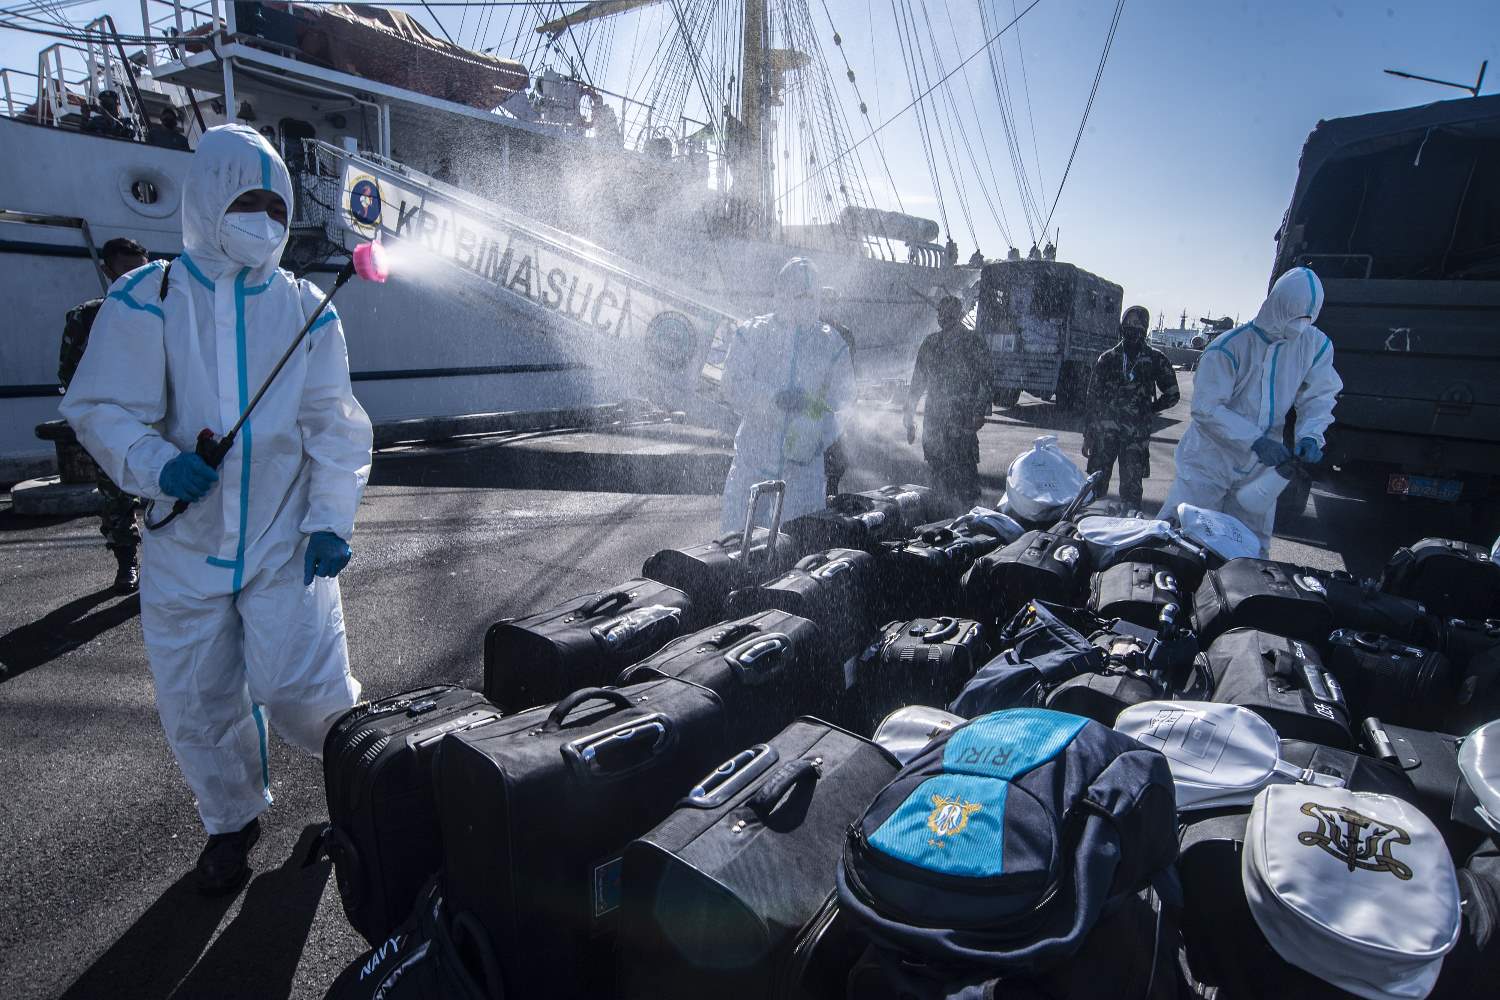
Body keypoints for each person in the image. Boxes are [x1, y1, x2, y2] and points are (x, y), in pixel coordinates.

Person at [60, 124, 372, 894]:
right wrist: (160, 465)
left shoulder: (308, 309)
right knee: (198, 701)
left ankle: (363, 800)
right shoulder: (146, 298)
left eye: (276, 204)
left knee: (307, 688)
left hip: (281, 542)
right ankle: (230, 825)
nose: (263, 218)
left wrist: (330, 520)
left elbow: (332, 424)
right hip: (184, 547)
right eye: (246, 200)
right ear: (207, 199)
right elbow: (100, 407)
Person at [1157, 267, 1342, 557]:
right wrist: (1254, 440)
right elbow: (1206, 408)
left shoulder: (1314, 345)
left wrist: (1311, 435)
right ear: (1277, 305)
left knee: (1249, 548)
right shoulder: (1229, 347)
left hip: (1259, 469)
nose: (1299, 325)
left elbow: (1319, 395)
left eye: (1307, 318)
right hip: (1210, 460)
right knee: (1180, 537)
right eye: (1294, 316)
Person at [719, 258, 854, 532]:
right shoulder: (753, 334)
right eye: (798, 295)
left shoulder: (831, 344)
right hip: (752, 465)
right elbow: (732, 385)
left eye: (810, 295)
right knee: (739, 548)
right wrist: (774, 400)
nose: (805, 302)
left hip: (803, 472)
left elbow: (845, 402)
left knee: (797, 552)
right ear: (781, 293)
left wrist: (819, 436)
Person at [59, 237, 152, 593]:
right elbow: (70, 376)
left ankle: (161, 572)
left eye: (140, 271)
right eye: (126, 272)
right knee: (116, 498)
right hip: (113, 427)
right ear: (107, 271)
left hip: (158, 424)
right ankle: (126, 563)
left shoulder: (166, 313)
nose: (134, 280)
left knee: (166, 500)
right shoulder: (87, 318)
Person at [1082, 305, 1180, 509]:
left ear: (1145, 327)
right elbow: (1092, 399)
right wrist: (1088, 434)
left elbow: (1172, 394)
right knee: (1094, 491)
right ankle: (1084, 527)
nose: (1131, 327)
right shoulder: (1108, 358)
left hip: (1135, 438)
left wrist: (1148, 409)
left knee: (1131, 493)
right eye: (1128, 323)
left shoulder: (1155, 359)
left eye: (1137, 323)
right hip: (1104, 435)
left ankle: (1129, 530)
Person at [904, 295, 993, 508]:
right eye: (941, 313)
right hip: (936, 422)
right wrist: (908, 416)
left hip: (961, 421)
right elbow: (917, 383)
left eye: (947, 313)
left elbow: (986, 379)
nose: (943, 317)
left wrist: (980, 412)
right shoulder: (931, 343)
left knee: (965, 481)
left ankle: (966, 522)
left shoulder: (973, 341)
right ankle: (941, 521)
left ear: (957, 315)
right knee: (939, 479)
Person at [819, 286, 857, 496]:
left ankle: (828, 498)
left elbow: (851, 373)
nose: (827, 306)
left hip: (834, 406)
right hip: (813, 404)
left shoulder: (844, 334)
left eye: (831, 302)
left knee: (835, 460)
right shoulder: (807, 329)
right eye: (824, 301)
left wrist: (851, 403)